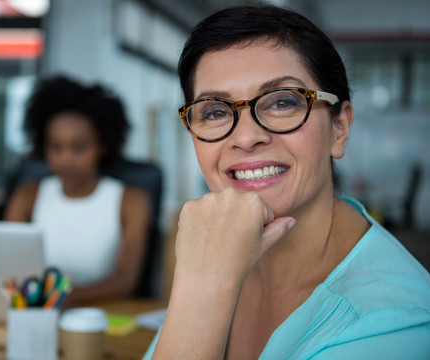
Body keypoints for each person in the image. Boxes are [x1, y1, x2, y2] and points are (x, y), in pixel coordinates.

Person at [144, 5, 430, 359]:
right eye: (215, 111)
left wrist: (202, 287)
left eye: (282, 103)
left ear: (339, 128)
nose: (246, 138)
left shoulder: (394, 323)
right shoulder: (221, 253)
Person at [4, 75, 150, 305]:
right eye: (55, 147)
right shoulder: (27, 195)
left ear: (102, 145)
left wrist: (57, 298)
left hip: (101, 318)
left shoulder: (131, 200)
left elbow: (125, 280)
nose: (66, 159)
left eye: (79, 148)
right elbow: (8, 267)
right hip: (36, 314)